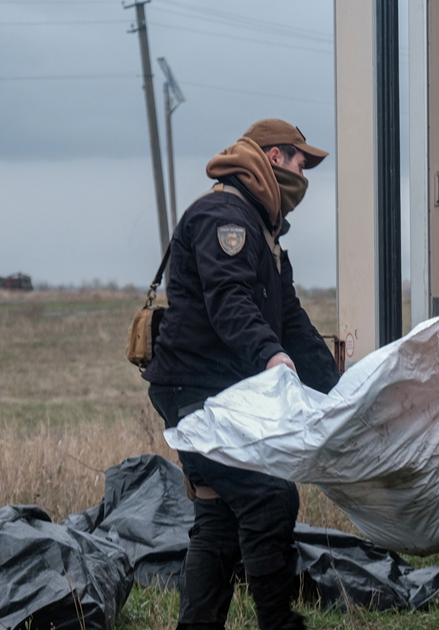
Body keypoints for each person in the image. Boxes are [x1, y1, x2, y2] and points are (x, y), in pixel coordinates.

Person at [142, 118, 340, 630]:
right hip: (197, 391)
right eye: (301, 162)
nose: (305, 174)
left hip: (213, 388)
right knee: (269, 497)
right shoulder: (224, 216)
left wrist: (341, 393)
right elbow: (228, 300)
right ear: (274, 158)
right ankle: (277, 621)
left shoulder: (264, 228)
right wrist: (271, 357)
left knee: (219, 518)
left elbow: (291, 320)